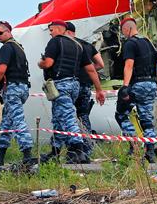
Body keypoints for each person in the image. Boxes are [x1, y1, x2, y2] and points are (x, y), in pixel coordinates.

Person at [37, 20, 106, 163]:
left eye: (51, 30)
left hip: (61, 85)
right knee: (58, 118)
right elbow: (92, 69)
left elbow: (48, 63)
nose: (50, 33)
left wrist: (40, 63)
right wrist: (99, 89)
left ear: (59, 29)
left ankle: (79, 151)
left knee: (68, 118)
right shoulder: (79, 45)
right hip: (75, 85)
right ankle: (54, 152)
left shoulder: (55, 42)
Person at [0, 21, 34, 166]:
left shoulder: (7, 48)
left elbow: (1, 70)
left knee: (18, 120)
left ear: (9, 31)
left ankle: (27, 154)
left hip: (12, 89)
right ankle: (0, 156)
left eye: (0, 33)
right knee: (7, 123)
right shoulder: (19, 47)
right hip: (22, 87)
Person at [115, 17, 157, 163]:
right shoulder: (149, 43)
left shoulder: (130, 43)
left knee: (121, 114)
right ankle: (151, 152)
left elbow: (129, 65)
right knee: (146, 119)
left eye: (123, 31)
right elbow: (156, 64)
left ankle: (134, 147)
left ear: (127, 29)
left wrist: (125, 87)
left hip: (137, 85)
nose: (123, 34)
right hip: (151, 84)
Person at [65, 21, 104, 155]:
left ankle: (73, 149)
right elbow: (101, 64)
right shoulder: (87, 45)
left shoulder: (67, 45)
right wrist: (88, 71)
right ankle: (88, 148)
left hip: (71, 85)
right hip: (86, 86)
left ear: (68, 32)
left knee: (68, 116)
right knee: (83, 116)